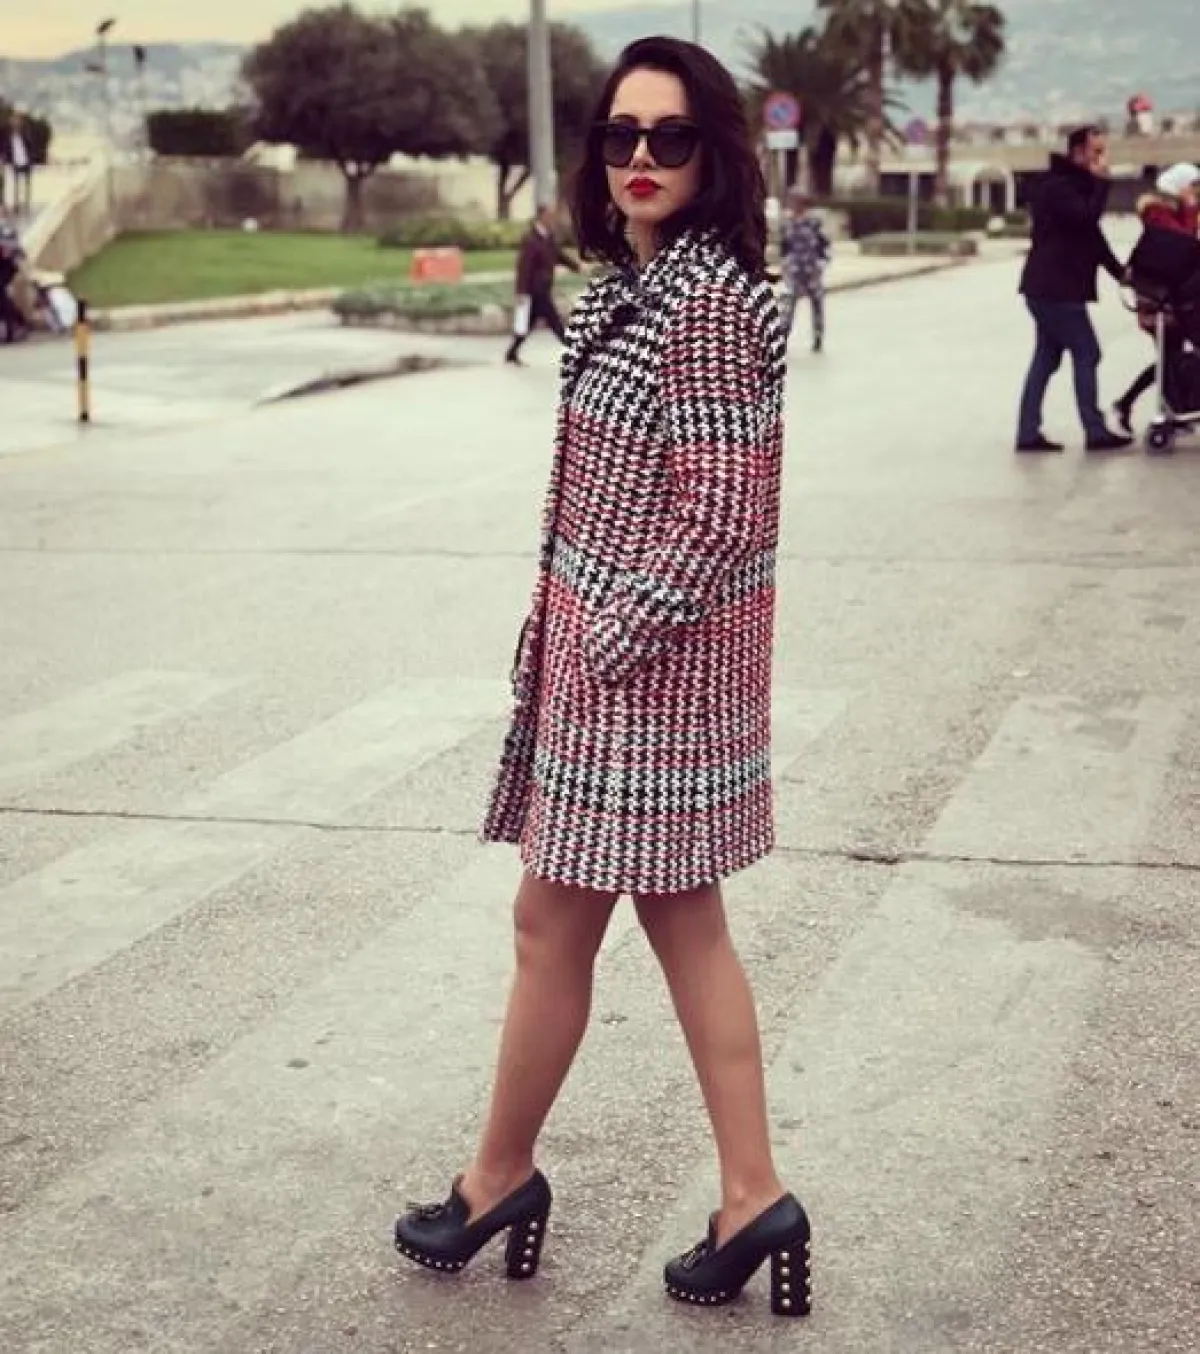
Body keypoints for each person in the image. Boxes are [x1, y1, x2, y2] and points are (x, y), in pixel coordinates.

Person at [394, 35, 811, 1318]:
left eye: (669, 137)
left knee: (557, 924)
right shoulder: (632, 289)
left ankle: (500, 1179)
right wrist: (566, 638)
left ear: (713, 153)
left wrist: (608, 640)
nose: (640, 156)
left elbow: (723, 512)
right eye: (621, 134)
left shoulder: (706, 304)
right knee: (672, 927)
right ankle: (747, 1196)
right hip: (624, 675)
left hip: (645, 683)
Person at [1015, 125, 1132, 453]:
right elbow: (1085, 219)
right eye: (1097, 152)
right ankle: (1094, 431)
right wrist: (1102, 183)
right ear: (1078, 152)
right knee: (1087, 351)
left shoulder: (1074, 185)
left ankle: (1027, 432)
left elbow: (1092, 240)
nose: (1103, 159)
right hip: (1055, 289)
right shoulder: (1060, 187)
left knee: (1046, 358)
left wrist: (1122, 274)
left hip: (1053, 288)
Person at [1113, 162, 1200, 432]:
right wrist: (1191, 209)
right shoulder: (1157, 212)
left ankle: (1173, 410)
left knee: (1171, 359)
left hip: (1171, 297)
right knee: (1168, 359)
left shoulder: (1170, 210)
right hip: (1158, 300)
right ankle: (1129, 404)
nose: (1195, 191)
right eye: (1192, 186)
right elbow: (1183, 243)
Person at [504, 203, 581, 366]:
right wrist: (521, 292)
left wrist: (576, 266)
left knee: (527, 324)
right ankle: (575, 353)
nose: (552, 219)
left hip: (544, 288)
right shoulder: (531, 239)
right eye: (549, 216)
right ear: (541, 217)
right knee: (555, 322)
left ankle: (511, 353)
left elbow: (559, 255)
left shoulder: (548, 237)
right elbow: (524, 268)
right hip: (534, 290)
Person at [779, 187, 831, 353]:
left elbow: (824, 244)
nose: (793, 204)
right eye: (791, 201)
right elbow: (784, 245)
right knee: (788, 306)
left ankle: (818, 336)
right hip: (794, 270)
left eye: (796, 201)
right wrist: (784, 263)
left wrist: (823, 262)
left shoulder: (814, 222)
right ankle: (782, 338)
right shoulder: (787, 222)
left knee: (817, 304)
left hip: (812, 269)